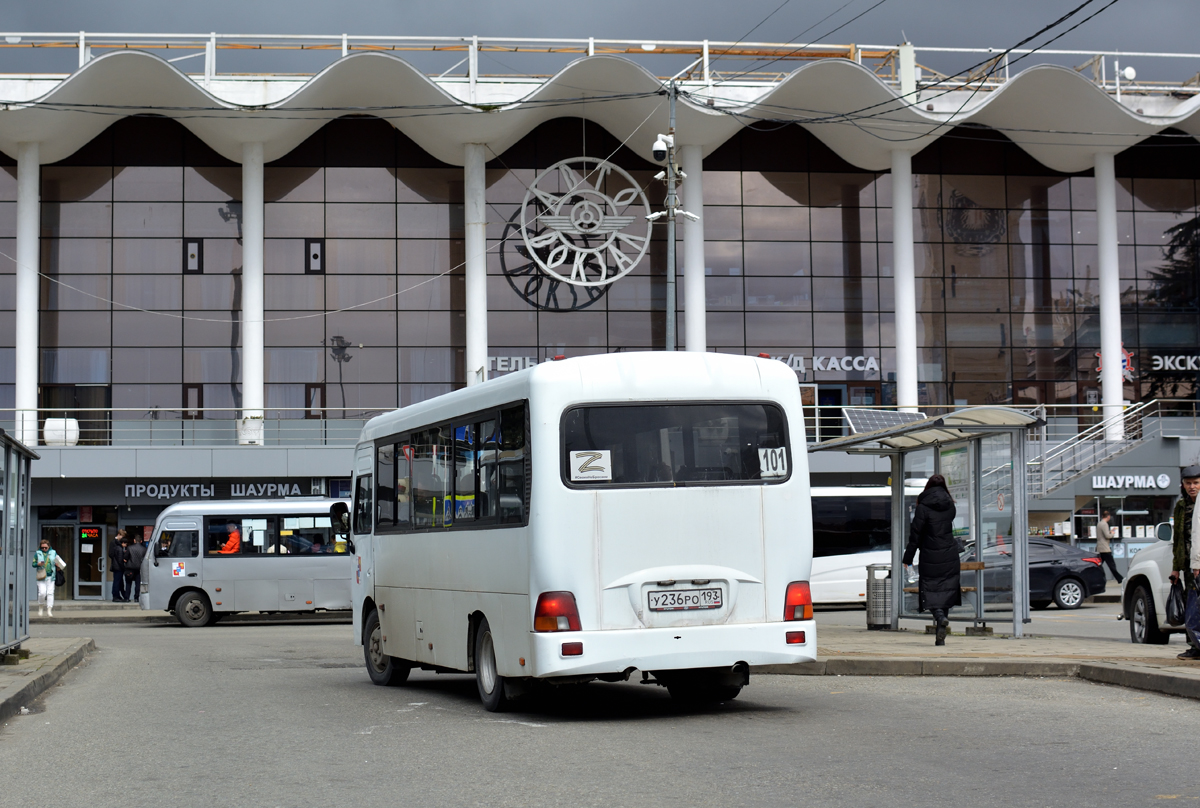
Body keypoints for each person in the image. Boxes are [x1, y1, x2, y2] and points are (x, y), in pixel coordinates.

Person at [902, 474, 960, 646]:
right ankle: (941, 632)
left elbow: (915, 536)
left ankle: (940, 617)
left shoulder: (923, 508)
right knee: (946, 590)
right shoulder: (950, 505)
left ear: (927, 487)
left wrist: (908, 558)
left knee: (930, 590)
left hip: (930, 555)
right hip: (950, 554)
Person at [1172, 465, 1200, 661]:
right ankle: (1194, 646)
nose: (1192, 487)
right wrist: (1175, 568)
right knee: (1191, 607)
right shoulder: (1182, 506)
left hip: (1199, 563)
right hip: (1189, 565)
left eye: (1196, 483)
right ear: (1183, 484)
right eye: (1188, 483)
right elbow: (1178, 539)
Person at [32, 538, 59, 617]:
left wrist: (58, 565)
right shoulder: (38, 553)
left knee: (50, 593)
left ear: (49, 547)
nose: (44, 549)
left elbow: (58, 561)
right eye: (42, 547)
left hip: (51, 576)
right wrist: (38, 564)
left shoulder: (53, 552)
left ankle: (49, 610)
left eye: (45, 548)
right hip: (41, 576)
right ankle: (41, 607)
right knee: (42, 593)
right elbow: (33, 564)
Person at [1096, 511, 1124, 584]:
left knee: (1098, 565)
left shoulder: (1099, 523)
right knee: (1112, 565)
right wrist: (1112, 533)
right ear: (1108, 516)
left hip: (1100, 548)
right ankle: (1120, 579)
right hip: (1105, 548)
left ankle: (1098, 578)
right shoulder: (1105, 524)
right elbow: (1107, 536)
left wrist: (1109, 532)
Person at [127, 532, 148, 604]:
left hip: (130, 567)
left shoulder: (129, 548)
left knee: (128, 583)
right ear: (141, 541)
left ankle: (127, 597)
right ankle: (136, 598)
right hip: (139, 568)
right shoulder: (144, 549)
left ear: (134, 540)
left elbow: (126, 557)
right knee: (138, 583)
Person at [109, 529, 128, 602]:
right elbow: (111, 554)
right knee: (117, 581)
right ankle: (116, 596)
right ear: (119, 535)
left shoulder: (117, 544)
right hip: (117, 565)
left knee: (119, 581)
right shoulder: (114, 543)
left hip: (116, 564)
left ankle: (118, 595)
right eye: (122, 536)